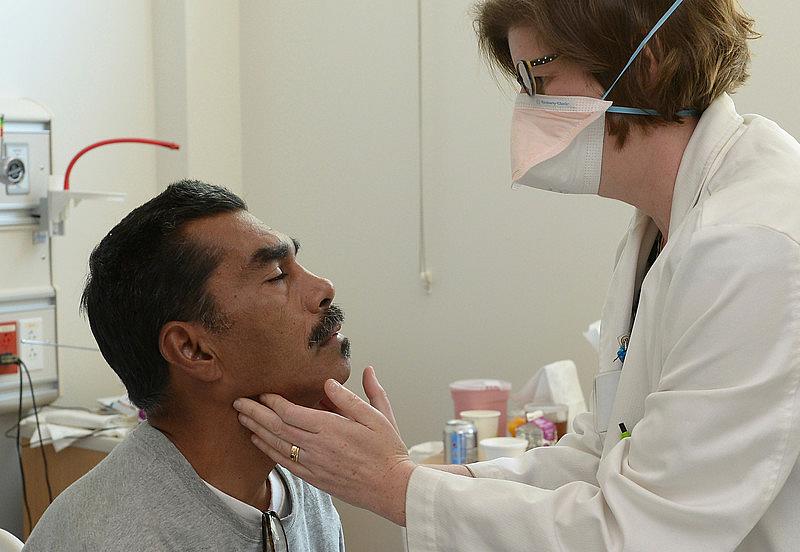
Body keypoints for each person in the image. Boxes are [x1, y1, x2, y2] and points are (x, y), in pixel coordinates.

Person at [232, 0, 800, 550]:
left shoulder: (751, 246)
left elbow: (645, 532)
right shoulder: (664, 228)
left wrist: (395, 488)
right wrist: (414, 481)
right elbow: (600, 457)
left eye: (541, 76)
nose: (528, 107)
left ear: (645, 64)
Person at [24, 180, 348, 551]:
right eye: (276, 275)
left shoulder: (298, 486)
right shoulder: (115, 538)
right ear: (193, 349)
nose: (324, 287)